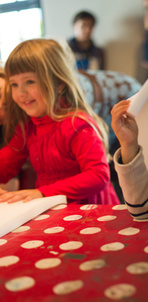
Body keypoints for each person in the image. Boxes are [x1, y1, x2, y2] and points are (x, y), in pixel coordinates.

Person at [0, 38, 119, 205]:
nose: (21, 93)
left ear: (59, 84)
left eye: (29, 82)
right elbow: (6, 162)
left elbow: (98, 176)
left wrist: (41, 193)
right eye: (14, 84)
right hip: (55, 211)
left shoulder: (77, 124)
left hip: (91, 213)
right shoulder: (28, 126)